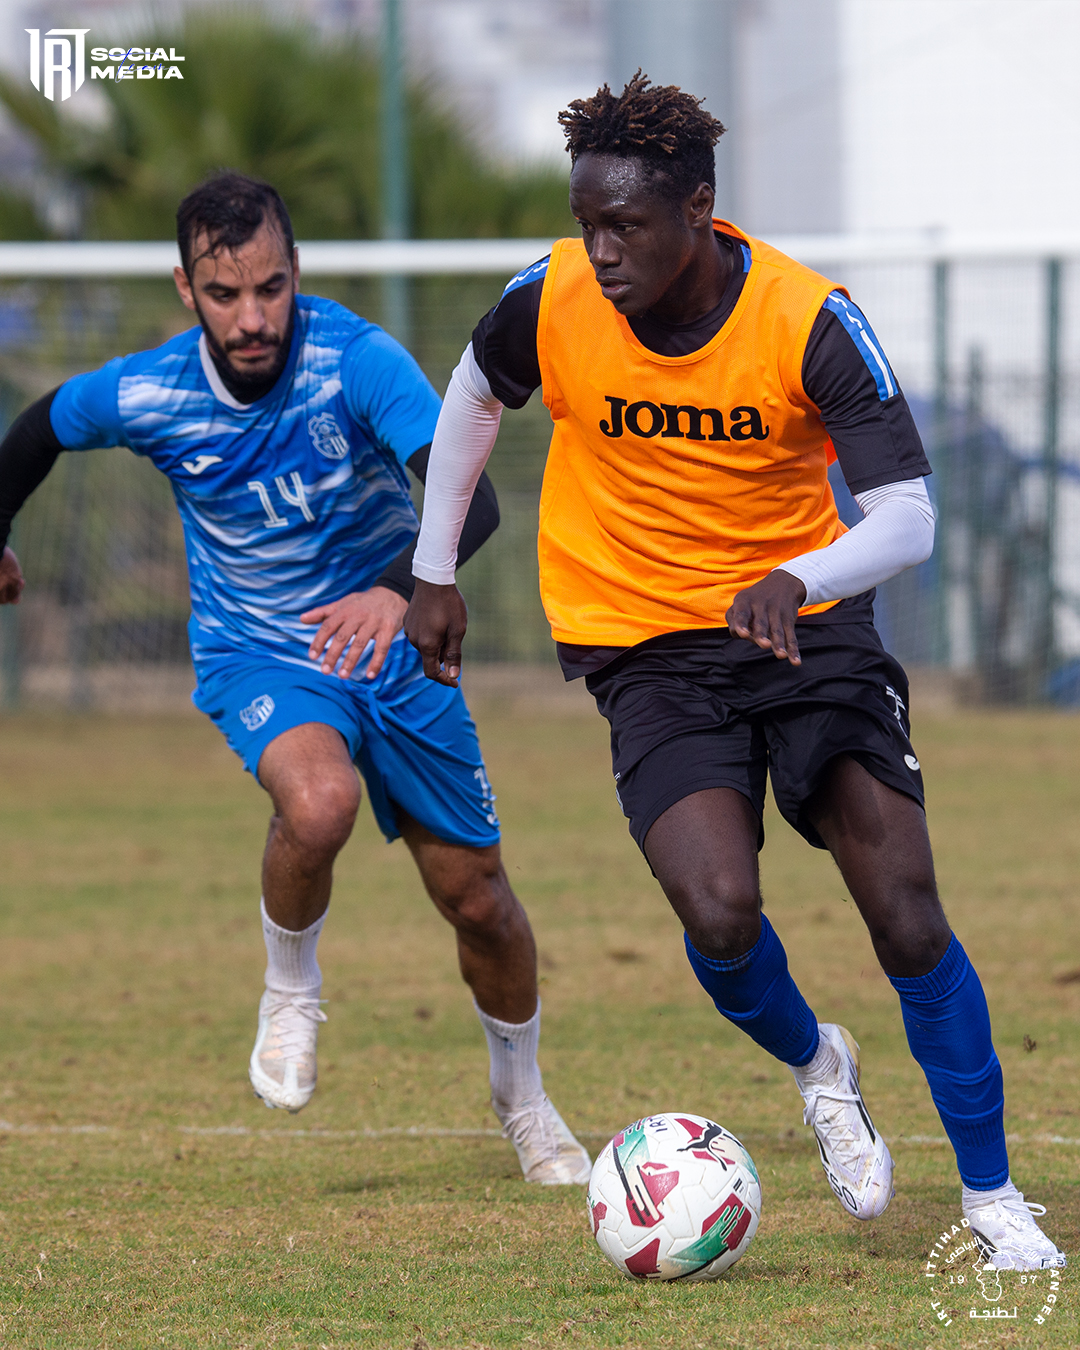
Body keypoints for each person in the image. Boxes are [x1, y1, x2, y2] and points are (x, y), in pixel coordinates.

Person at [403, 76, 1066, 1268]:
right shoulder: (548, 298)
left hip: (801, 635)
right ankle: (821, 1065)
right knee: (718, 910)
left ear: (699, 212)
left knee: (906, 914)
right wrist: (432, 568)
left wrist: (801, 577)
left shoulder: (808, 319)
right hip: (646, 644)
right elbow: (471, 398)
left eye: (626, 228)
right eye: (586, 221)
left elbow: (910, 516)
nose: (600, 251)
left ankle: (995, 1203)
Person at [0, 171, 590, 1187]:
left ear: (296, 274)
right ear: (187, 290)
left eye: (270, 288)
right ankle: (290, 990)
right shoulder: (150, 392)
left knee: (480, 901)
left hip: (395, 649)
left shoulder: (357, 361)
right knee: (320, 805)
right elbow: (43, 424)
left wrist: (397, 593)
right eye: (225, 295)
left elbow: (473, 502)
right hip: (262, 653)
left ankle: (526, 1105)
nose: (253, 315)